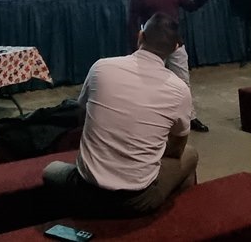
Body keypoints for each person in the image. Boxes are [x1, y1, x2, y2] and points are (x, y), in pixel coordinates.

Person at [42, 13, 198, 216]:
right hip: (138, 200)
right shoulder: (180, 90)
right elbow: (176, 150)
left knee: (50, 170)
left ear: (140, 36)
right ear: (176, 47)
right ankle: (182, 219)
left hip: (84, 190)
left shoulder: (101, 67)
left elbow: (82, 115)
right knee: (190, 154)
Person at [127, 0, 217, 131]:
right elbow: (132, 24)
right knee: (152, 84)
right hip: (152, 49)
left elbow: (190, 6)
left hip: (175, 44)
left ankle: (189, 118)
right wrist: (136, 50)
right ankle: (154, 120)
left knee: (183, 82)